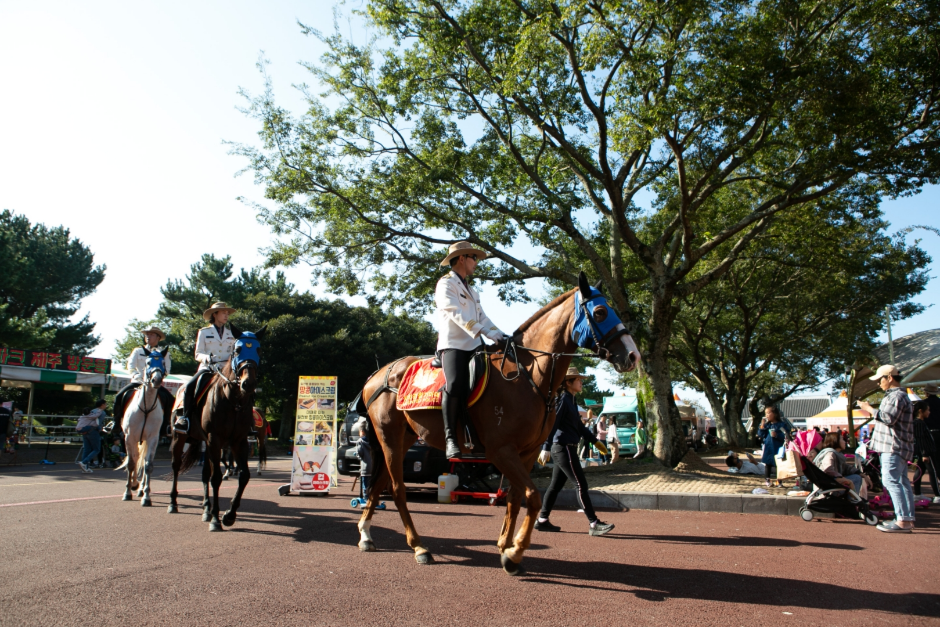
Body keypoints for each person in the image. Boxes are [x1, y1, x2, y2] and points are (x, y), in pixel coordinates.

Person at [434, 241, 509, 458]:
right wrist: (483, 332)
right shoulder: (446, 284)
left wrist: (500, 334)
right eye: (473, 258)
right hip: (453, 345)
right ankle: (450, 438)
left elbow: (483, 317)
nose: (476, 262)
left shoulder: (473, 290)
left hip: (475, 345)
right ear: (461, 259)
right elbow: (454, 312)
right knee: (456, 383)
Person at [534, 367, 614, 536]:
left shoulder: (572, 400)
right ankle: (593, 524)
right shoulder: (564, 399)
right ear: (568, 383)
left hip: (565, 447)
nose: (581, 382)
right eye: (578, 379)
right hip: (563, 448)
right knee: (581, 485)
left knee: (555, 486)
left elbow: (578, 426)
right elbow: (553, 423)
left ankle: (542, 520)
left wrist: (595, 442)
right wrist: (546, 447)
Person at [858, 365, 915, 533]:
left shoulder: (895, 396)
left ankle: (903, 520)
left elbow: (888, 418)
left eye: (880, 379)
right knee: (902, 482)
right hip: (900, 446)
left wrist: (868, 408)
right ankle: (907, 518)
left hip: (892, 446)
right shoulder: (902, 395)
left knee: (891, 481)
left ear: (889, 378)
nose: (879, 383)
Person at [174, 302, 238, 433]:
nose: (226, 315)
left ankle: (246, 423)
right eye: (223, 313)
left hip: (225, 370)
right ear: (215, 314)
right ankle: (185, 418)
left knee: (243, 387)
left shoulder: (231, 334)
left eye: (227, 313)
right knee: (190, 386)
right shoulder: (204, 332)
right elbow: (197, 354)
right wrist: (207, 358)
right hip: (208, 368)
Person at [113, 326, 174, 429]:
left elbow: (167, 369)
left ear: (158, 337)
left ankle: (167, 425)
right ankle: (117, 422)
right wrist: (137, 376)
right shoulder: (137, 350)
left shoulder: (164, 353)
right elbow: (131, 367)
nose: (148, 337)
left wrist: (158, 377)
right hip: (138, 382)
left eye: (151, 334)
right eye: (147, 335)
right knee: (118, 397)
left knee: (171, 399)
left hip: (155, 383)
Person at [911, 400, 939, 504]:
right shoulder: (918, 423)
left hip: (924, 452)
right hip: (926, 452)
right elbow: (920, 439)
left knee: (920, 471)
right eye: (928, 410)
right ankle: (937, 495)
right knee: (933, 472)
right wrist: (924, 453)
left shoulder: (919, 423)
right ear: (921, 411)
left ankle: (917, 494)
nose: (929, 412)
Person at [758, 406, 788, 487]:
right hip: (768, 446)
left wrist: (777, 435)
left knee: (779, 464)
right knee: (768, 464)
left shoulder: (781, 424)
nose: (767, 415)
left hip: (778, 447)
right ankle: (767, 479)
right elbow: (761, 435)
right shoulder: (767, 425)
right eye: (765, 414)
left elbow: (786, 435)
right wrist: (762, 426)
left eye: (768, 413)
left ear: (774, 414)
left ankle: (779, 480)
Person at [75, 400, 106, 473]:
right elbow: (98, 423)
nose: (106, 405)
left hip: (85, 430)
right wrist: (100, 430)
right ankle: (84, 462)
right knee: (96, 449)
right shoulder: (102, 412)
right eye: (105, 404)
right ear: (102, 405)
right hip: (93, 431)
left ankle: (85, 467)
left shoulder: (92, 411)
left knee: (87, 449)